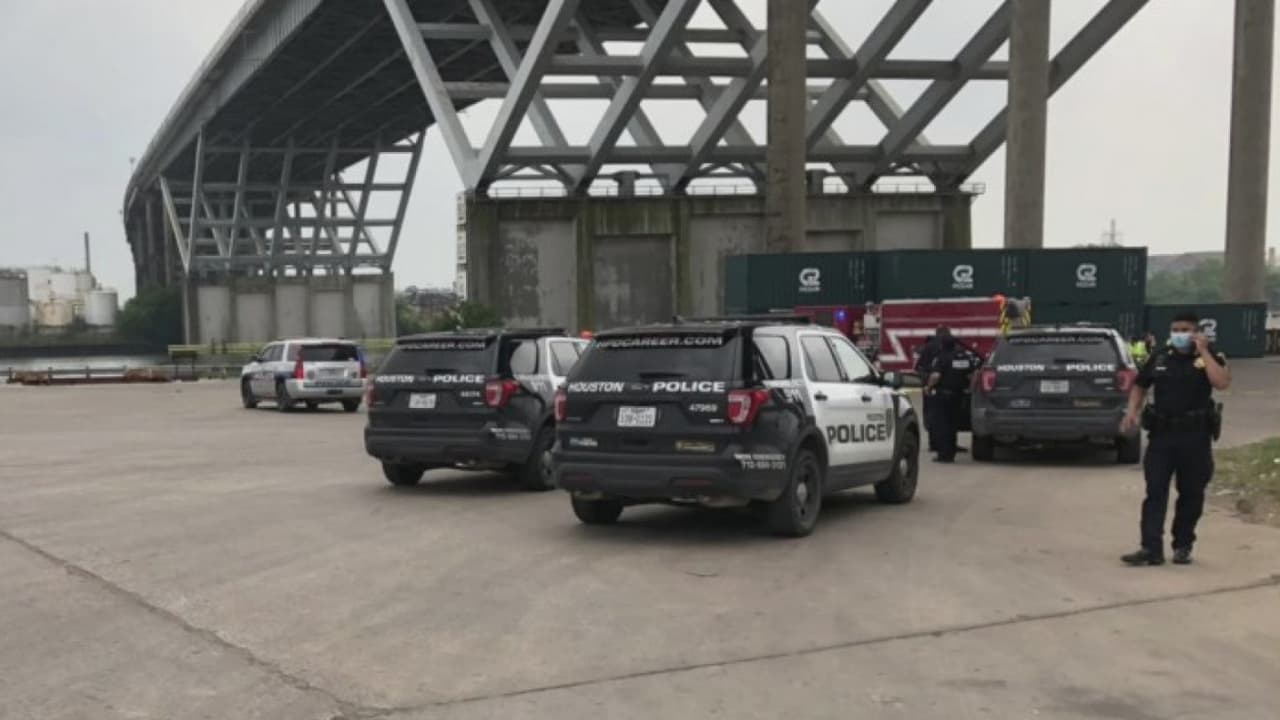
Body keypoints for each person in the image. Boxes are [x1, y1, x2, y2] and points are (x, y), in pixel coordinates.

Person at [1120, 312, 1230, 566]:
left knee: (1191, 493)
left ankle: (1183, 544)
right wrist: (1132, 411)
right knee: (1155, 491)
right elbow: (1140, 385)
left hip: (1195, 437)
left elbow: (1222, 382)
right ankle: (1151, 548)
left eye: (1185, 330)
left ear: (1196, 332)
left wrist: (1204, 351)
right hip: (1162, 436)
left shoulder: (1209, 356)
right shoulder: (1160, 357)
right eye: (1176, 330)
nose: (1179, 334)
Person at [925, 334, 978, 463]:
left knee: (942, 425)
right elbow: (974, 374)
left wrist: (928, 387)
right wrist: (971, 388)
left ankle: (944, 455)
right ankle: (952, 452)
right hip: (959, 396)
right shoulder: (964, 357)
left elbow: (936, 376)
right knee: (953, 425)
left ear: (942, 345)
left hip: (943, 395)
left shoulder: (942, 357)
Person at [915, 327, 949, 452]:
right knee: (945, 417)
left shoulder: (928, 346)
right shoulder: (948, 346)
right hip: (944, 386)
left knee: (932, 414)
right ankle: (945, 444)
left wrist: (926, 381)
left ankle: (934, 443)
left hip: (931, 386)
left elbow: (919, 367)